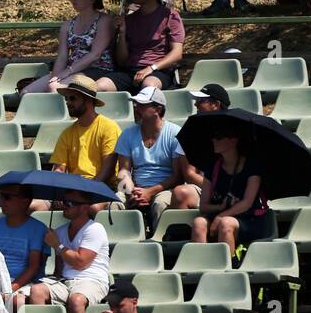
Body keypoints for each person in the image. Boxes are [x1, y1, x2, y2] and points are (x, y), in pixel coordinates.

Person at [23, 192, 111, 313]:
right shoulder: (59, 232)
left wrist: (57, 245)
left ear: (84, 207)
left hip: (92, 281)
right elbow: (59, 269)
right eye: (64, 201)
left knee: (76, 300)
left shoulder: (95, 229)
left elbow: (81, 262)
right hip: (65, 281)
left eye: (69, 203)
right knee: (37, 291)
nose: (63, 206)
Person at [190, 124, 275, 252]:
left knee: (226, 223)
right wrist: (220, 207)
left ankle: (229, 267)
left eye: (218, 137)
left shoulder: (252, 166)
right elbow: (203, 206)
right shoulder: (213, 167)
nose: (213, 140)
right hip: (220, 215)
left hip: (248, 218)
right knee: (198, 223)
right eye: (213, 137)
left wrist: (221, 216)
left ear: (233, 141)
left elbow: (247, 203)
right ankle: (200, 265)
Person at [21, 0, 117, 94]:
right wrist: (55, 76)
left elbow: (95, 54)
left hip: (96, 70)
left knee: (54, 89)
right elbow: (62, 56)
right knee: (26, 93)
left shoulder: (104, 20)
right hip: (71, 71)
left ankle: (60, 111)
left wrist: (67, 72)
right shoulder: (67, 25)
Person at [96, 0, 185, 93]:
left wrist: (151, 68)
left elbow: (177, 53)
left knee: (149, 85)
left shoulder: (170, 16)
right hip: (130, 71)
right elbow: (122, 61)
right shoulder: (129, 19)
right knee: (99, 86)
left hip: (157, 71)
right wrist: (122, 33)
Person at [114, 86, 185, 232]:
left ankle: (162, 245)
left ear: (158, 109)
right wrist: (130, 190)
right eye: (136, 104)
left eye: (142, 105)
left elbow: (177, 176)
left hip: (165, 188)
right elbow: (124, 170)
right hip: (136, 188)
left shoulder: (175, 133)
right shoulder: (127, 134)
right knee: (114, 202)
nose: (136, 108)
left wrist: (150, 192)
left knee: (160, 203)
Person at [162, 84, 229, 211]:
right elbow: (189, 173)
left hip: (232, 187)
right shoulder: (191, 132)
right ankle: (184, 231)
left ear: (216, 104)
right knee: (180, 193)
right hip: (203, 186)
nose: (196, 105)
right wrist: (215, 188)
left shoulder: (235, 132)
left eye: (201, 101)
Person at [50, 75, 121, 186]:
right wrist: (59, 190)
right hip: (75, 188)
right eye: (66, 99)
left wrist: (88, 190)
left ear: (88, 100)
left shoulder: (109, 127)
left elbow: (108, 169)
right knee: (36, 203)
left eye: (72, 98)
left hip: (103, 188)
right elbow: (59, 169)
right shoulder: (67, 133)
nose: (68, 102)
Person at [0, 185, 47, 312]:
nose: (2, 201)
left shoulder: (38, 229)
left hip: (24, 283)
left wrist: (11, 288)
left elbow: (34, 266)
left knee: (18, 302)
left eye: (7, 197)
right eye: (0, 196)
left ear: (25, 201)